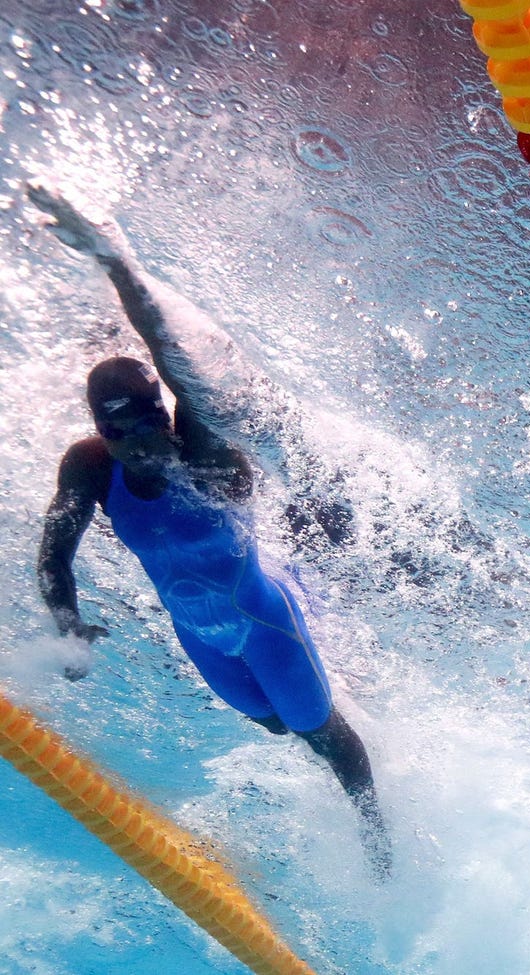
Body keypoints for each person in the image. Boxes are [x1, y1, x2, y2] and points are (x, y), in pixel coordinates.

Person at [29, 182, 391, 877]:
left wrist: (116, 262)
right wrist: (66, 622)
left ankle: (378, 838)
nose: (143, 441)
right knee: (278, 725)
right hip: (201, 637)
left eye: (150, 419)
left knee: (324, 737)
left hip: (261, 613)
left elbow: (175, 358)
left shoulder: (202, 440)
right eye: (122, 430)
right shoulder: (88, 466)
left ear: (165, 410)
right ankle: (334, 685)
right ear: (102, 432)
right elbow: (55, 556)